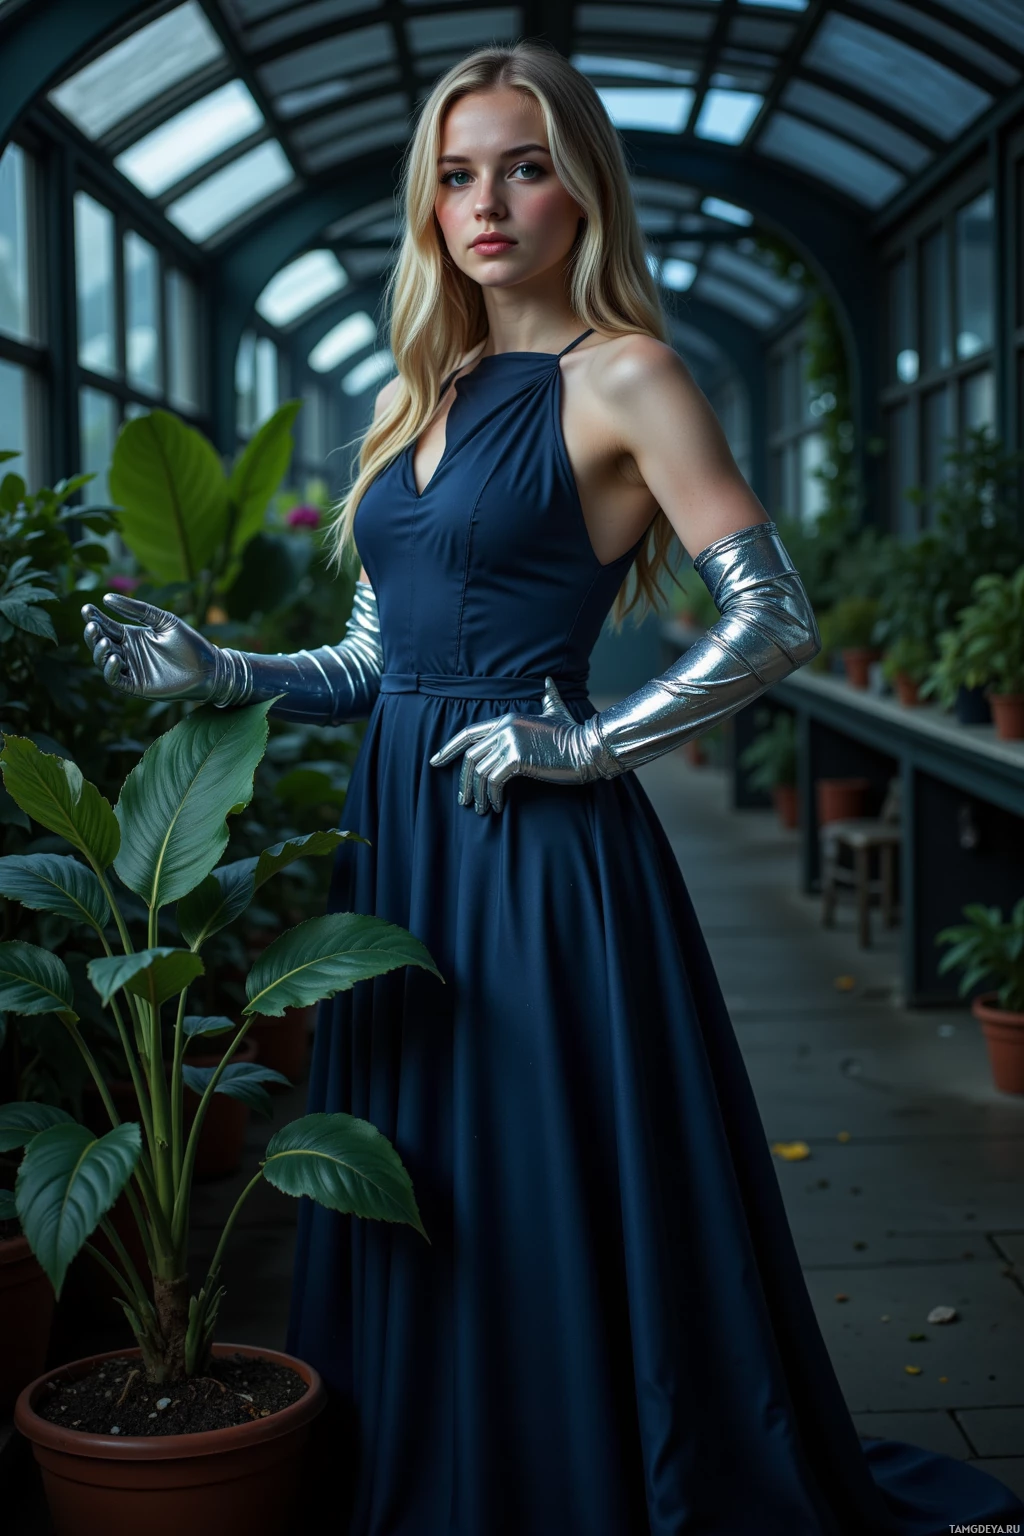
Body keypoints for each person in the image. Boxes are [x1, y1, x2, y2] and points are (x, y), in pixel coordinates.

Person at [81, 41, 1024, 1536]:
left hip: (538, 848)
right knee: (426, 1165)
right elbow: (380, 661)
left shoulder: (631, 373)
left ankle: (584, 1468)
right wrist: (218, 671)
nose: (488, 201)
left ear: (581, 186)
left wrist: (587, 744)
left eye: (523, 165)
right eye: (457, 174)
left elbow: (774, 615)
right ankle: (451, 1459)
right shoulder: (426, 387)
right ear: (429, 201)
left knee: (543, 1165)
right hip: (404, 841)